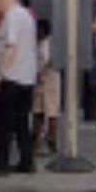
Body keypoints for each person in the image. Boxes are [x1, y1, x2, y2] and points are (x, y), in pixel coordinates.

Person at [0, 0, 39, 174]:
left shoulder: (11, 17)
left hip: (12, 78)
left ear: (3, 0)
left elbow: (11, 46)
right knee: (21, 123)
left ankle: (1, 164)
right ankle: (26, 161)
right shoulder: (26, 15)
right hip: (26, 77)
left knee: (3, 124)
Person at [32, 16, 60, 157]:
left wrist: (38, 72)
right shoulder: (37, 44)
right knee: (38, 111)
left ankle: (51, 140)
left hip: (49, 79)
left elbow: (47, 61)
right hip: (40, 79)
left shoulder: (48, 44)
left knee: (51, 111)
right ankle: (38, 139)